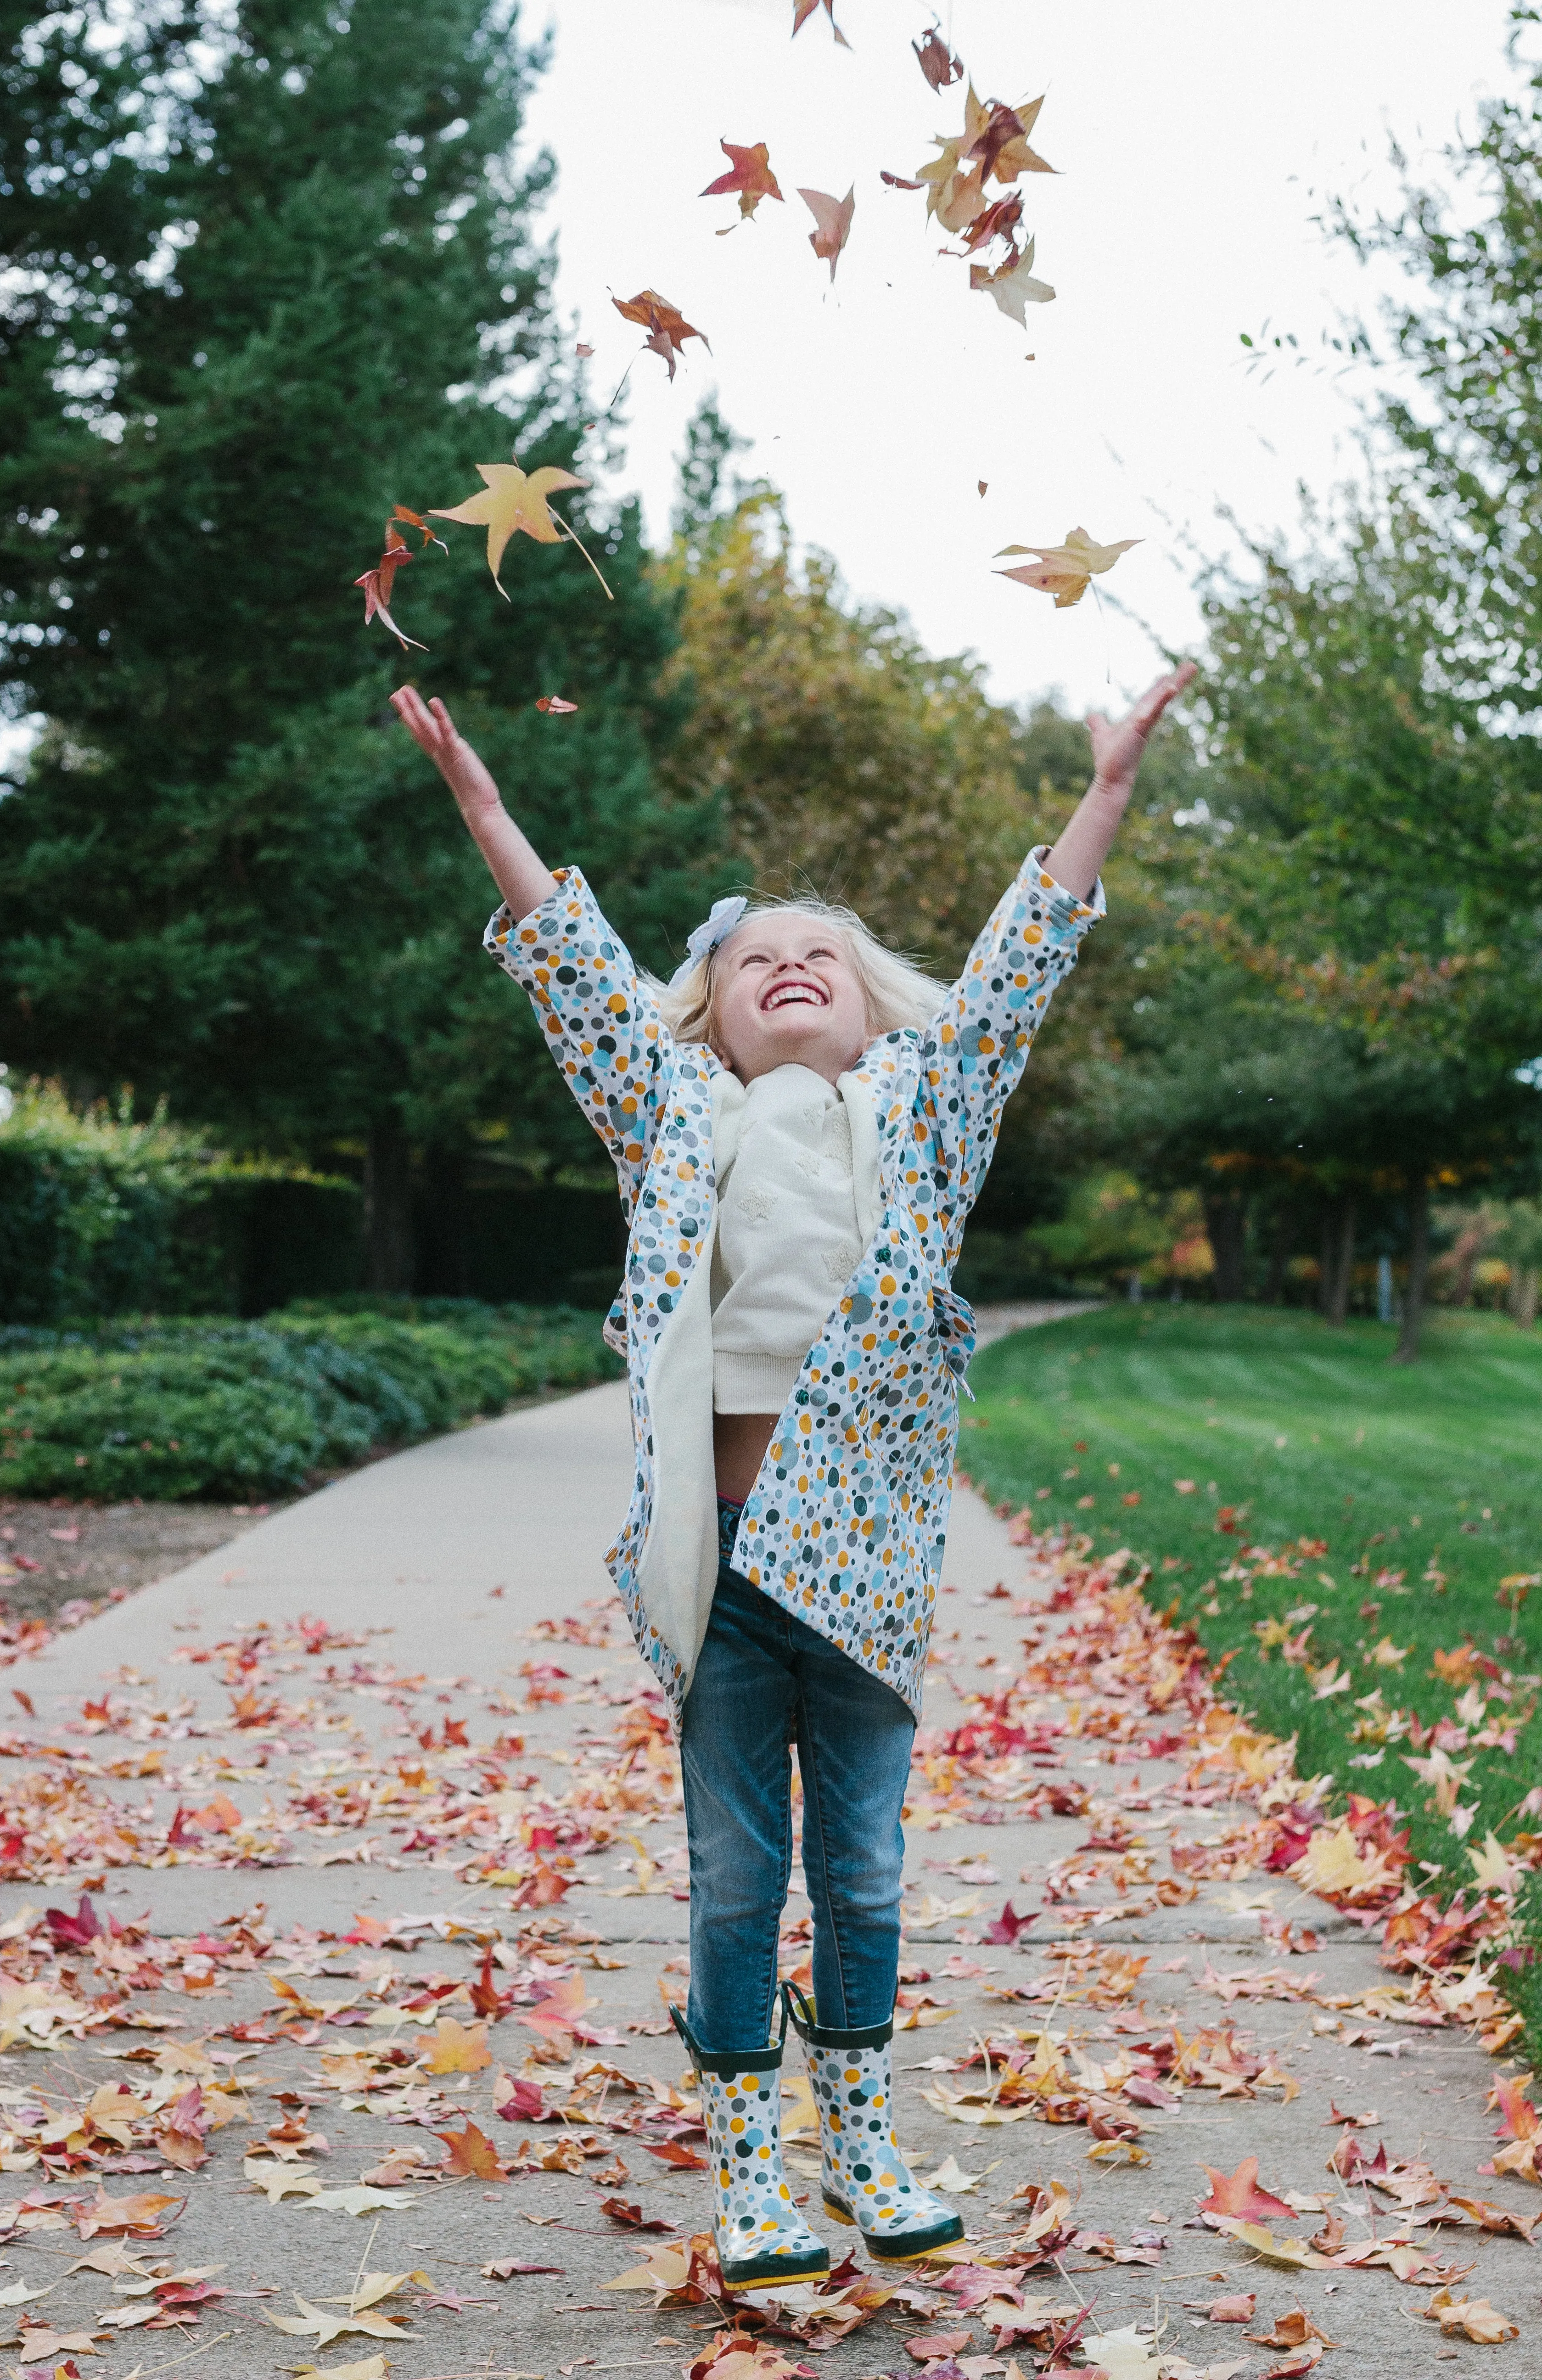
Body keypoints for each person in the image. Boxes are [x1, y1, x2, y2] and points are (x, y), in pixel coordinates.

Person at [391, 661, 1195, 2291]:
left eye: (821, 950)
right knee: (741, 1877)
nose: (792, 964)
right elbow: (578, 972)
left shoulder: (926, 1109)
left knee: (869, 1871)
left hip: (872, 1570)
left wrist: (1101, 795)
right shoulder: (673, 1113)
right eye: (756, 956)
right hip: (727, 1566)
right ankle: (754, 2169)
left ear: (873, 995)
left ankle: (866, 2135)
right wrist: (485, 803)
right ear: (714, 1007)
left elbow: (1020, 963)